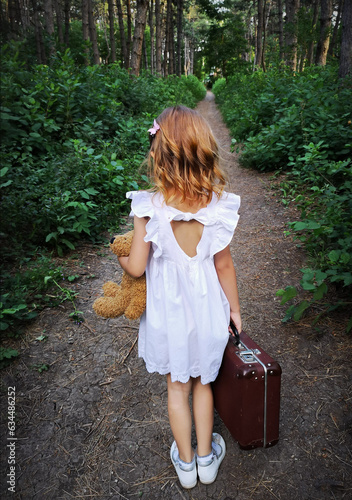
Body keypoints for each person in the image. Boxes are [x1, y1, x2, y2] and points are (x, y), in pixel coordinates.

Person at [118, 105, 241, 489]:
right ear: (202, 152)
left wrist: (120, 253)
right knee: (203, 383)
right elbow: (224, 267)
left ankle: (185, 465)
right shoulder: (216, 206)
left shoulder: (147, 207)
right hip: (206, 313)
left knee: (177, 387)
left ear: (159, 154)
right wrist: (234, 310)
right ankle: (207, 458)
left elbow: (137, 267)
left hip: (168, 317)